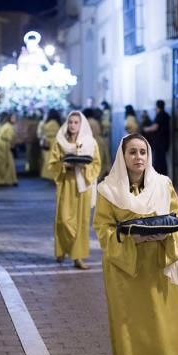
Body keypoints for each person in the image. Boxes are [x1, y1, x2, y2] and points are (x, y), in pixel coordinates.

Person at [93, 133, 178, 355]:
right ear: (122, 157)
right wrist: (131, 240)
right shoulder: (107, 191)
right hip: (125, 269)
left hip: (157, 264)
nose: (138, 158)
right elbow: (104, 230)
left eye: (143, 152)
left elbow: (177, 219)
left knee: (160, 323)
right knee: (129, 327)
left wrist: (163, 237)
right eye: (132, 152)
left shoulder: (163, 185)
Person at [48, 111, 101, 270]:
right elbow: (52, 163)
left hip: (83, 185)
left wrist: (85, 167)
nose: (72, 125)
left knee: (81, 222)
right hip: (66, 183)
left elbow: (96, 164)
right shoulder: (60, 141)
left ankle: (78, 257)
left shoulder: (90, 143)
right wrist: (65, 166)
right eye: (70, 122)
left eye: (76, 122)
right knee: (63, 220)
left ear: (81, 124)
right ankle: (63, 247)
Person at [143, 100, 171, 175]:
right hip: (165, 141)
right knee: (163, 161)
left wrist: (146, 129)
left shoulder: (160, 115)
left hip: (159, 142)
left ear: (157, 107)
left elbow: (155, 127)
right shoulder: (166, 115)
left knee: (159, 161)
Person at [0, 112, 18, 185]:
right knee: (5, 162)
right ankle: (5, 180)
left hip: (1, 144)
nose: (15, 119)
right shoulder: (8, 126)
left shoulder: (2, 126)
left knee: (2, 162)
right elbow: (11, 138)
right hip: (4, 144)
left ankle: (2, 179)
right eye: (13, 118)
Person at [38, 109, 61, 180]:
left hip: (50, 142)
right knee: (50, 159)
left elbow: (44, 131)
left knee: (50, 159)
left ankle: (52, 175)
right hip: (52, 141)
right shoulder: (56, 123)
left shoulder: (51, 123)